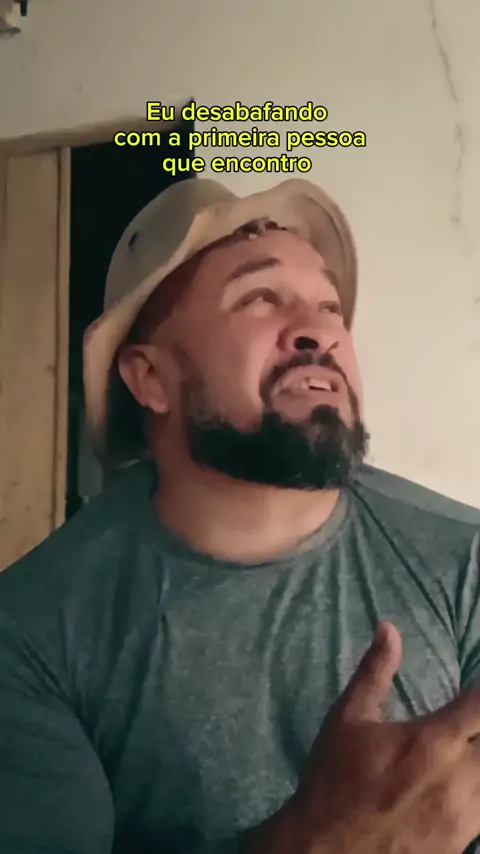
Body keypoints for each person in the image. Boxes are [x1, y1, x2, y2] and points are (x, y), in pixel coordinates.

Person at [0, 176, 479, 854]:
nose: (321, 331)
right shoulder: (30, 632)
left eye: (330, 306)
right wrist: (312, 841)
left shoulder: (464, 561)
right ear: (150, 378)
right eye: (259, 298)